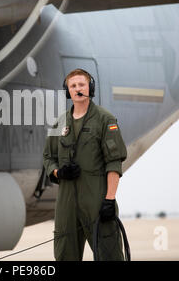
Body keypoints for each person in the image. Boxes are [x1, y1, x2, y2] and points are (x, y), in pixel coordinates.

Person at [42, 68, 127, 261]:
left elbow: (113, 163)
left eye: (81, 84)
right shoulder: (59, 124)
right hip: (66, 204)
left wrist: (109, 200)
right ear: (67, 91)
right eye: (73, 86)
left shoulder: (105, 120)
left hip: (96, 200)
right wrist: (58, 173)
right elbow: (48, 157)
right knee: (65, 254)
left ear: (90, 88)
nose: (77, 89)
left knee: (109, 254)